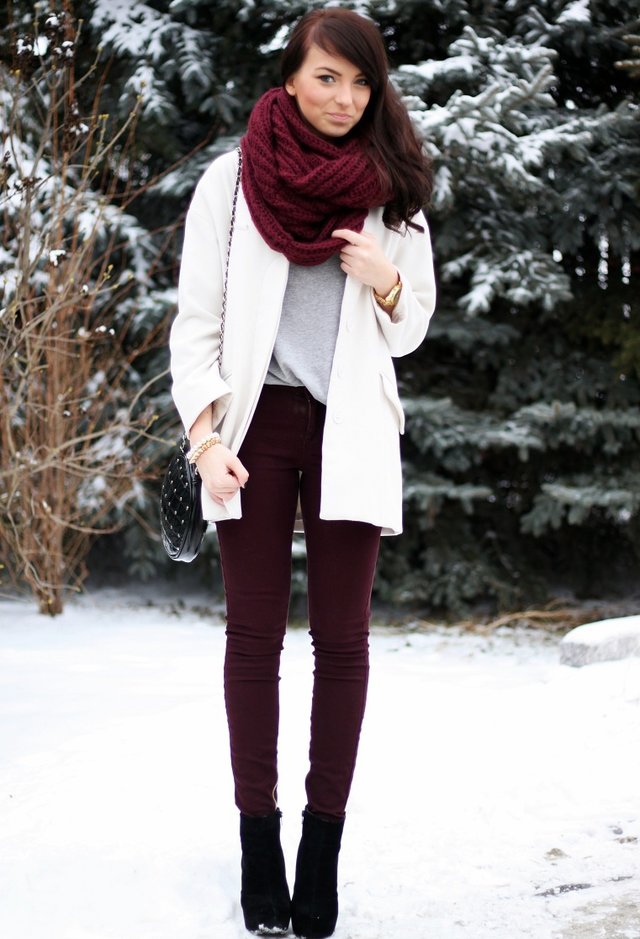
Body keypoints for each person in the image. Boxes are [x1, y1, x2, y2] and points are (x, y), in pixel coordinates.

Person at [170, 8, 436, 937]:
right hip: (254, 428)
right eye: (328, 77)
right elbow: (196, 324)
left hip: (351, 428)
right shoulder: (230, 183)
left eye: (361, 83)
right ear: (291, 76)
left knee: (343, 642)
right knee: (253, 638)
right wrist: (204, 440)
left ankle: (320, 851)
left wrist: (385, 277)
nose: (345, 98)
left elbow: (413, 325)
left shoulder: (392, 193)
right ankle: (258, 847)